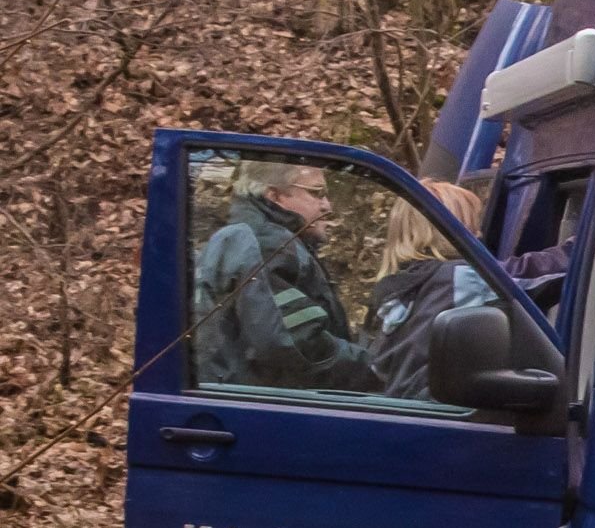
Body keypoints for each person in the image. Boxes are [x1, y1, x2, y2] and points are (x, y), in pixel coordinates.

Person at [193, 159, 381, 393]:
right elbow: (294, 345)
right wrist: (372, 368)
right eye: (317, 193)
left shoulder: (248, 237)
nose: (327, 205)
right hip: (257, 405)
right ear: (275, 195)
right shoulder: (267, 245)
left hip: (238, 396)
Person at [365, 181, 491, 402]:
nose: (479, 234)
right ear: (445, 230)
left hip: (396, 407)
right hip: (429, 410)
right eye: (470, 225)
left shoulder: (399, 284)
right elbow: (519, 288)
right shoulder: (457, 276)